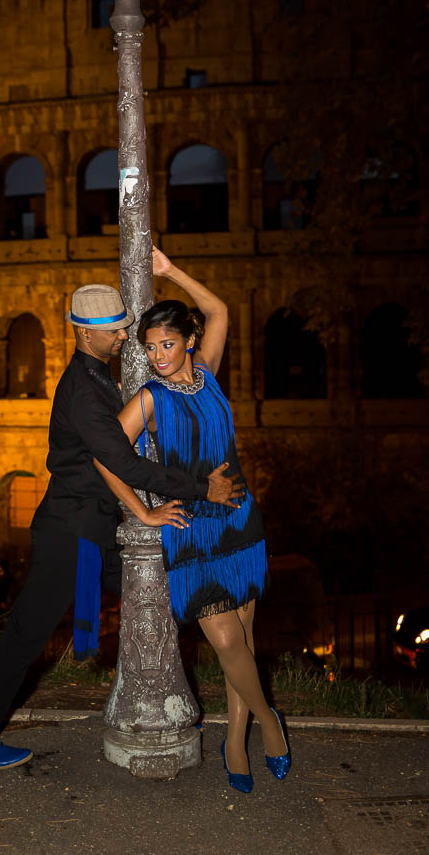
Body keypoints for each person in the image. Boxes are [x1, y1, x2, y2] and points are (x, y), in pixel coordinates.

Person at [0, 282, 243, 770]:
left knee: (162, 600)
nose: (127, 334)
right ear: (88, 333)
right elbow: (122, 463)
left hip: (95, 527)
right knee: (27, 634)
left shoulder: (97, 375)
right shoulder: (83, 390)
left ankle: (160, 708)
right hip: (71, 531)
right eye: (119, 328)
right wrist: (198, 487)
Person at [94, 248, 291, 793]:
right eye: (151, 348)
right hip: (191, 530)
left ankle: (234, 741)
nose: (158, 356)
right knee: (227, 642)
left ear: (187, 341)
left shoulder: (207, 371)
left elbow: (220, 310)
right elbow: (106, 455)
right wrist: (143, 511)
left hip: (239, 518)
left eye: (167, 344)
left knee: (244, 641)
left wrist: (169, 271)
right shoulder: (150, 399)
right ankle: (270, 724)